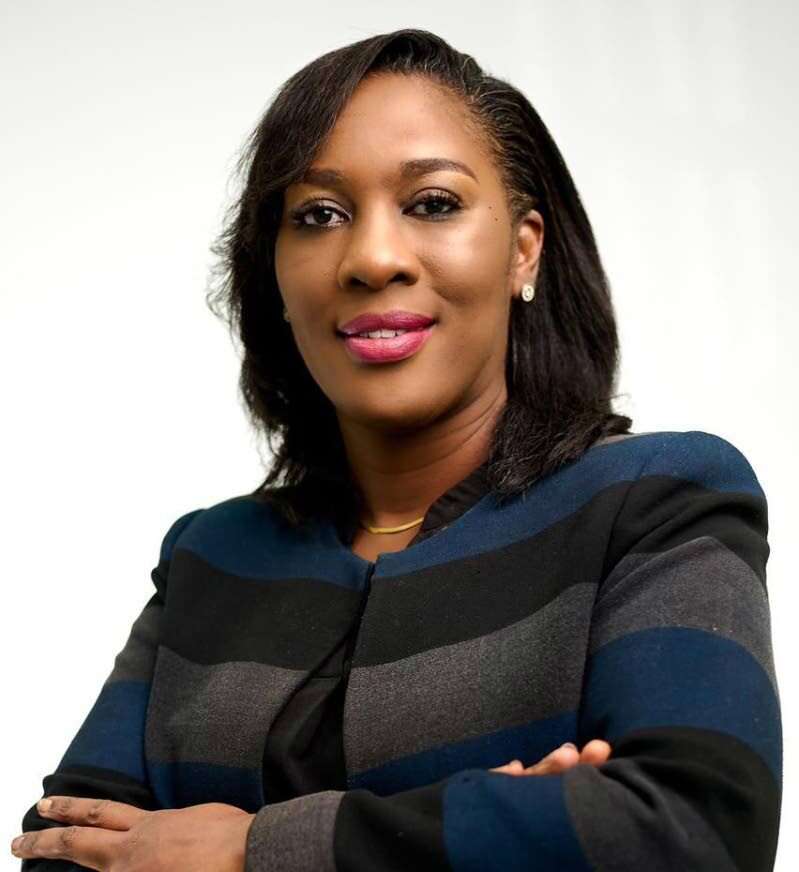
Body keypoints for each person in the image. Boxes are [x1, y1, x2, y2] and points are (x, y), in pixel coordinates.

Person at [11, 27, 781, 872]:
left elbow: (692, 829)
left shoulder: (652, 500)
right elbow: (62, 849)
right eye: (319, 215)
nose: (372, 258)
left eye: (433, 203)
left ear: (523, 248)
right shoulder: (211, 555)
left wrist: (247, 849)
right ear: (275, 272)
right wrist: (496, 828)